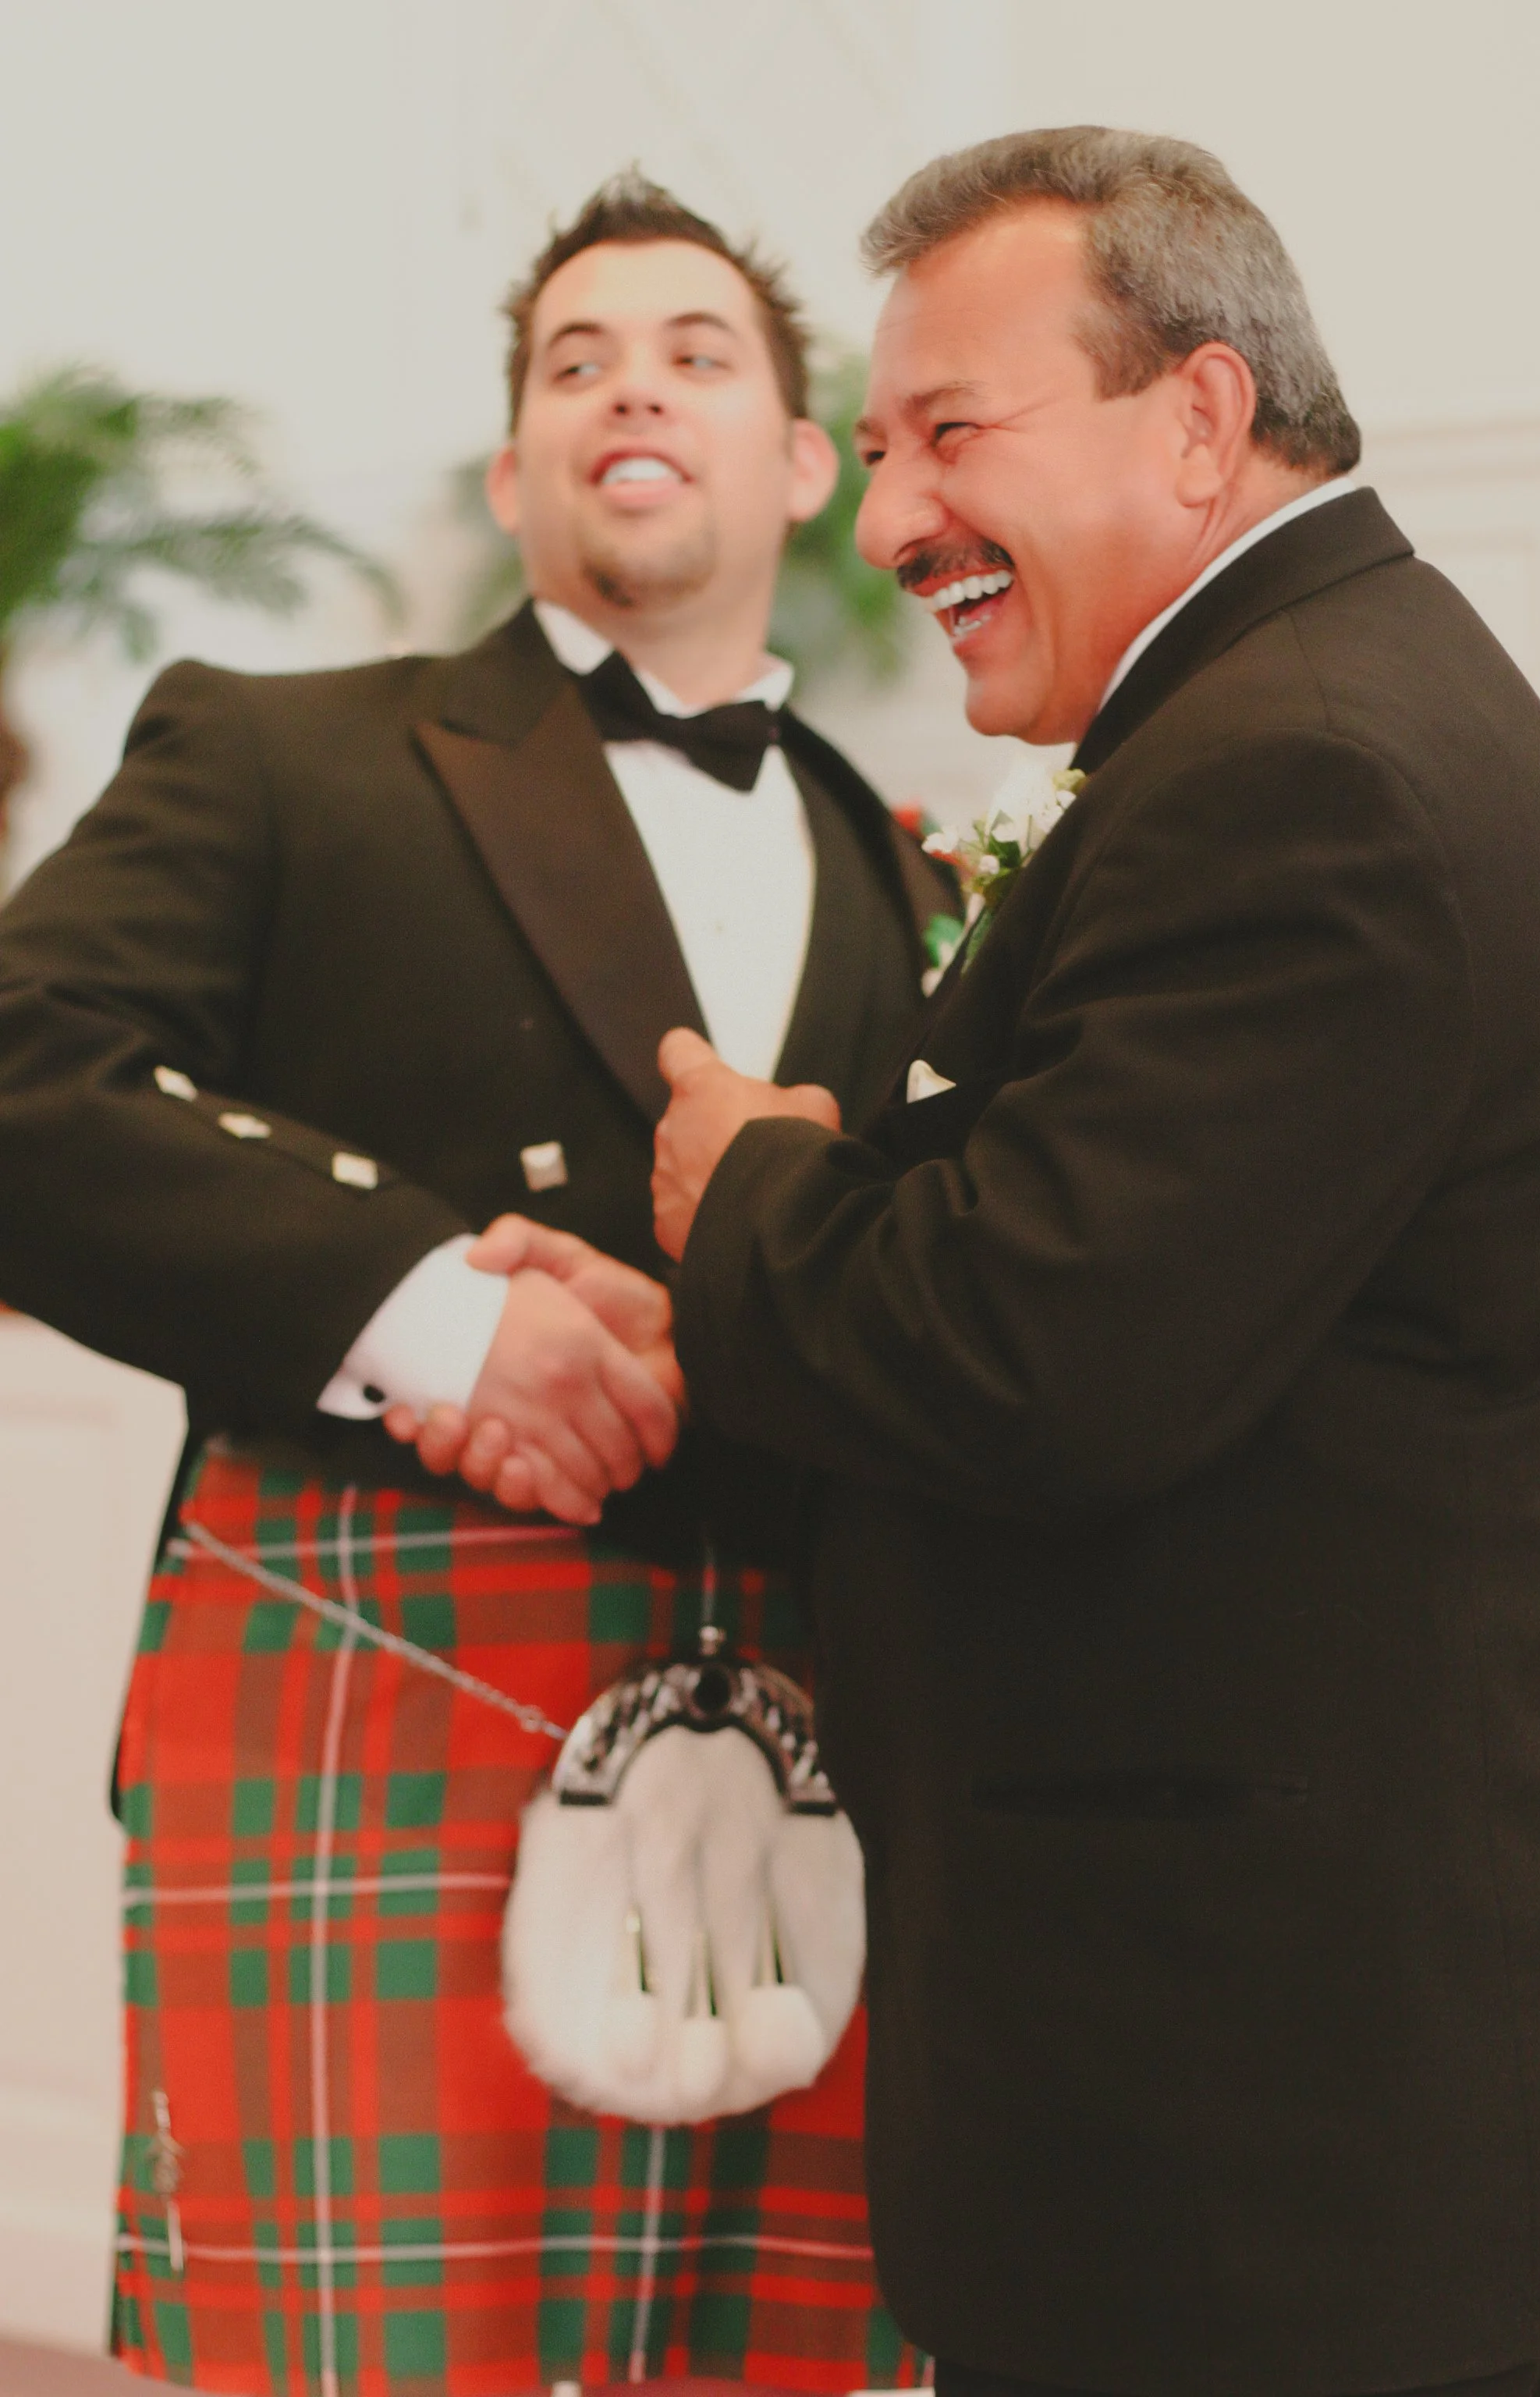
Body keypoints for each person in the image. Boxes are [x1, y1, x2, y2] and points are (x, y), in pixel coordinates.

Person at [636, 129, 1540, 2397]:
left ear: (1197, 412)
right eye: (877, 455)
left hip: (1271, 2142)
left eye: (952, 435)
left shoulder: (1313, 772)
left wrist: (746, 1198)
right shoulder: (1295, 710)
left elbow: (1032, 1358)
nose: (886, 527)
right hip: (1255, 2082)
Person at [0, 172, 947, 2395]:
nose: (638, 385)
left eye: (702, 352)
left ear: (807, 466)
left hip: (815, 1697)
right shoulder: (279, 748)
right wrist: (439, 1310)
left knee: (763, 2367)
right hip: (385, 1654)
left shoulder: (905, 858)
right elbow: (21, 1079)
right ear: (517, 467)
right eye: (577, 360)